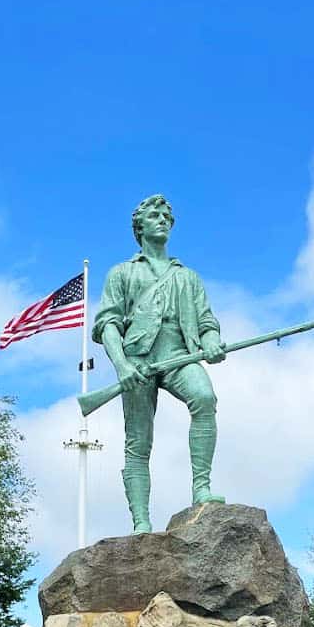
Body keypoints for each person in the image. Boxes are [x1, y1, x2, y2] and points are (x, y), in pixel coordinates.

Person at [92, 194, 226, 532]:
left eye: (167, 215)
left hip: (179, 354)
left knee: (205, 398)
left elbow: (207, 320)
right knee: (138, 442)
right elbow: (108, 323)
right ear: (139, 227)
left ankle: (202, 488)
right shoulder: (122, 273)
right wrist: (122, 365)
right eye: (154, 215)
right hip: (137, 360)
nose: (163, 219)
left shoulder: (188, 277)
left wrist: (210, 340)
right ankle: (141, 520)